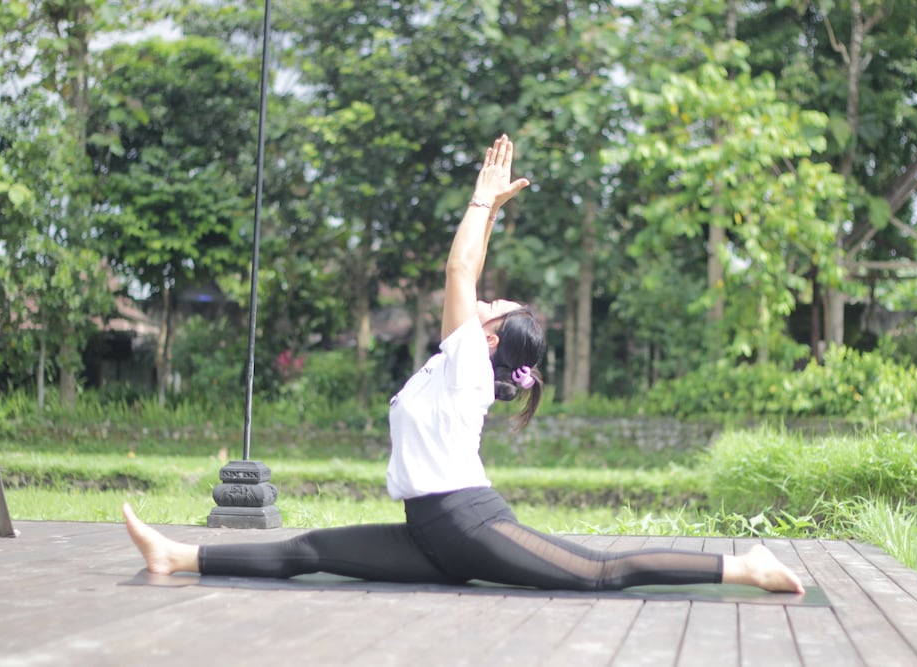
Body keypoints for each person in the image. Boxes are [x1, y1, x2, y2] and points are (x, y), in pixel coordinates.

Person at [123, 134, 804, 595]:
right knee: (310, 551)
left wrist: (482, 198)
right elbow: (468, 274)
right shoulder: (458, 362)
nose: (484, 298)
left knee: (602, 572)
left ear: (490, 339)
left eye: (494, 306)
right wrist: (493, 214)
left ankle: (745, 565)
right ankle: (176, 555)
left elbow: (459, 269)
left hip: (469, 522)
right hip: (430, 530)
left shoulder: (470, 364)